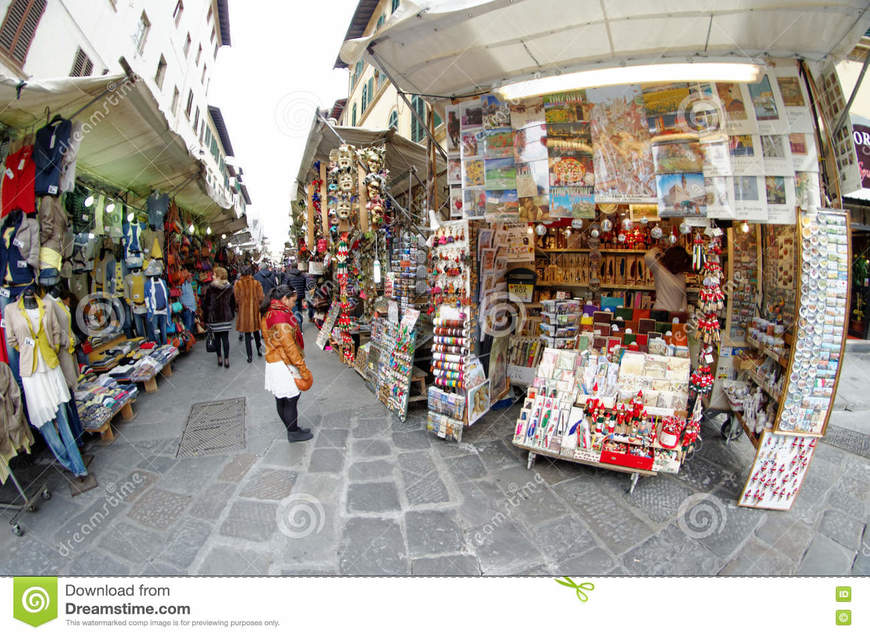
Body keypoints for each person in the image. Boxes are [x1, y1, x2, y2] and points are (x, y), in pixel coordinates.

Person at [260, 285, 313, 443]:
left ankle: (293, 429)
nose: (293, 304)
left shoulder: (269, 311)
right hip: (283, 363)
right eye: (292, 301)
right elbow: (289, 346)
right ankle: (293, 432)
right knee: (291, 398)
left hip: (273, 360)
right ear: (284, 299)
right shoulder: (280, 317)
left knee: (281, 398)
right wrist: (302, 368)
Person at [203, 266, 236, 368]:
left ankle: (219, 358)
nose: (212, 276)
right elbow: (232, 303)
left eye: (214, 274)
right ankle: (226, 359)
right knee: (225, 338)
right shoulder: (229, 288)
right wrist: (231, 313)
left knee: (217, 338)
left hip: (215, 317)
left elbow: (206, 304)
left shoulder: (211, 288)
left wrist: (206, 317)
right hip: (225, 317)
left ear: (218, 276)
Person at [645, 246, 691, 313]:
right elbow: (648, 257)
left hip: (675, 317)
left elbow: (683, 298)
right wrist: (659, 249)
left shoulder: (681, 276)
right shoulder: (660, 270)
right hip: (661, 313)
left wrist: (684, 315)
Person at [234, 265, 264, 363]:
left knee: (247, 335)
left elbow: (237, 299)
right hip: (254, 311)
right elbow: (261, 298)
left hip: (244, 313)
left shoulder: (238, 284)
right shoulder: (256, 283)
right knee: (256, 333)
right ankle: (259, 351)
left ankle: (249, 356)